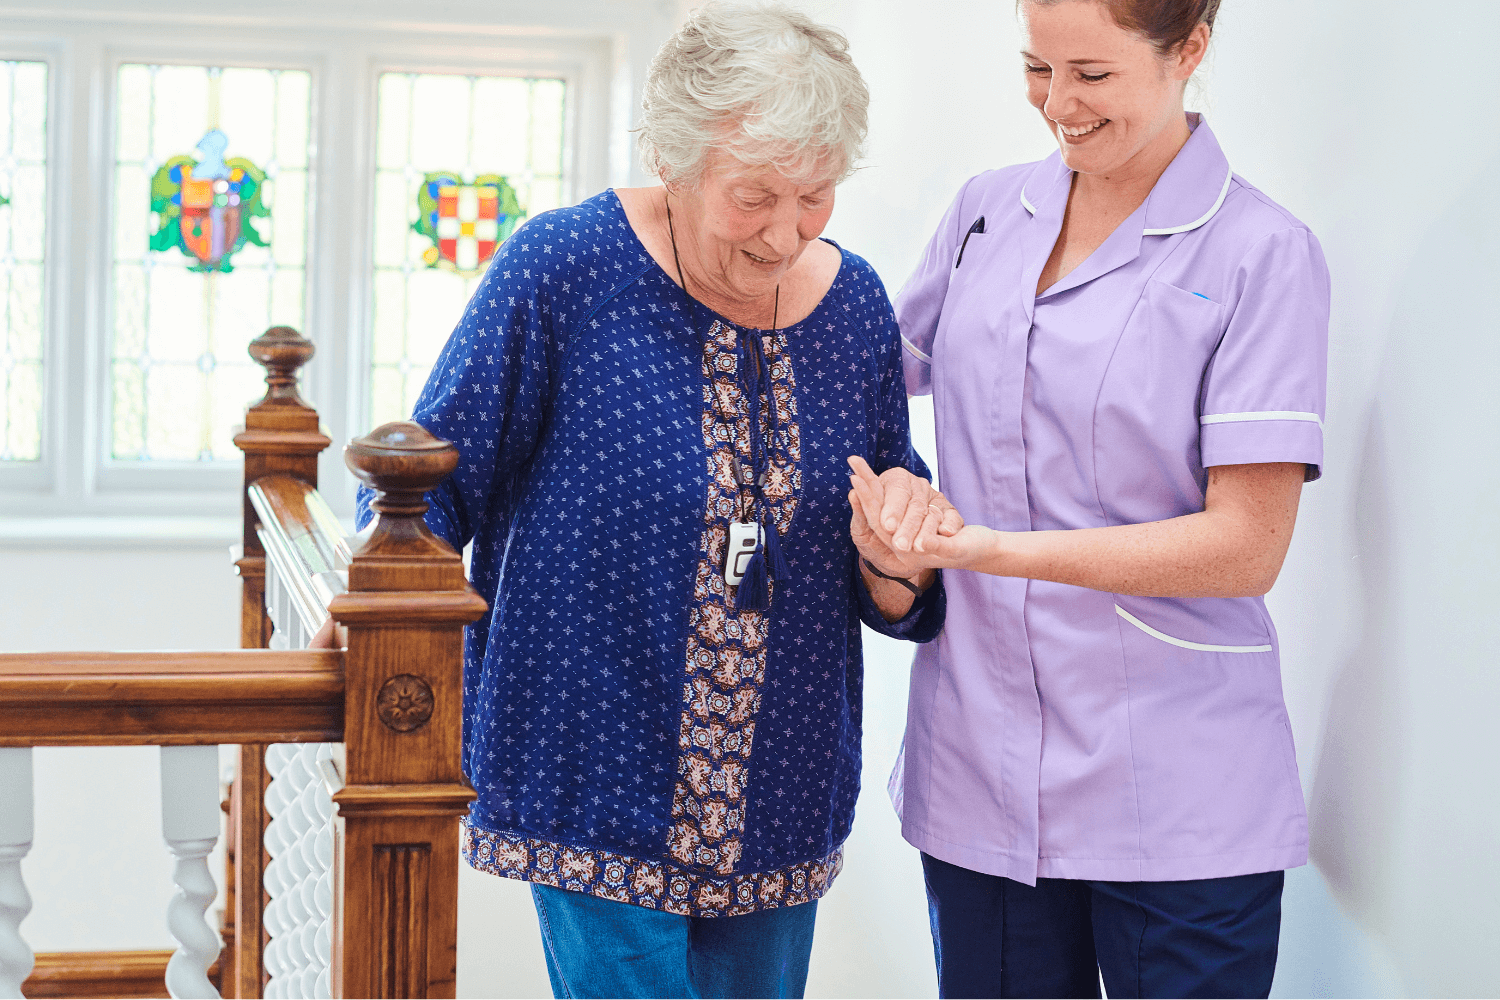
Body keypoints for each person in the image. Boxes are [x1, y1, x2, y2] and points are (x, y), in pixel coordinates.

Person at [334, 3, 950, 997]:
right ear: (676, 157)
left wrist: (897, 559)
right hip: (591, 764)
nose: (786, 233)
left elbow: (894, 546)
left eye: (815, 197)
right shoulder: (565, 270)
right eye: (755, 196)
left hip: (781, 788)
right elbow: (429, 500)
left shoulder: (858, 309)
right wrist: (379, 654)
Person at [848, 0, 1331, 997]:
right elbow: (859, 382)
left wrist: (984, 548)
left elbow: (1246, 546)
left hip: (1178, 786)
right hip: (981, 767)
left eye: (1093, 74)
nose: (1058, 104)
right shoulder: (988, 211)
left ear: (1189, 50)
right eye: (1038, 67)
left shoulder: (1259, 253)